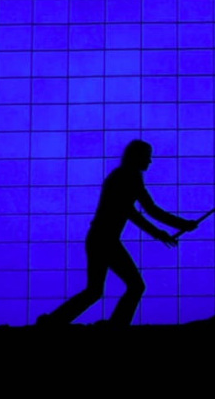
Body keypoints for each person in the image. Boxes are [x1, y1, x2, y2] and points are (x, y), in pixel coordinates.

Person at [37, 140, 198, 327]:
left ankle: (54, 322)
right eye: (147, 157)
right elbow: (148, 210)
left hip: (99, 239)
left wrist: (167, 231)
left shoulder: (123, 176)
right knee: (134, 286)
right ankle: (116, 326)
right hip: (106, 241)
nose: (150, 161)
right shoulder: (128, 178)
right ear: (137, 157)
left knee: (95, 290)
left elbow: (137, 212)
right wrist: (178, 226)